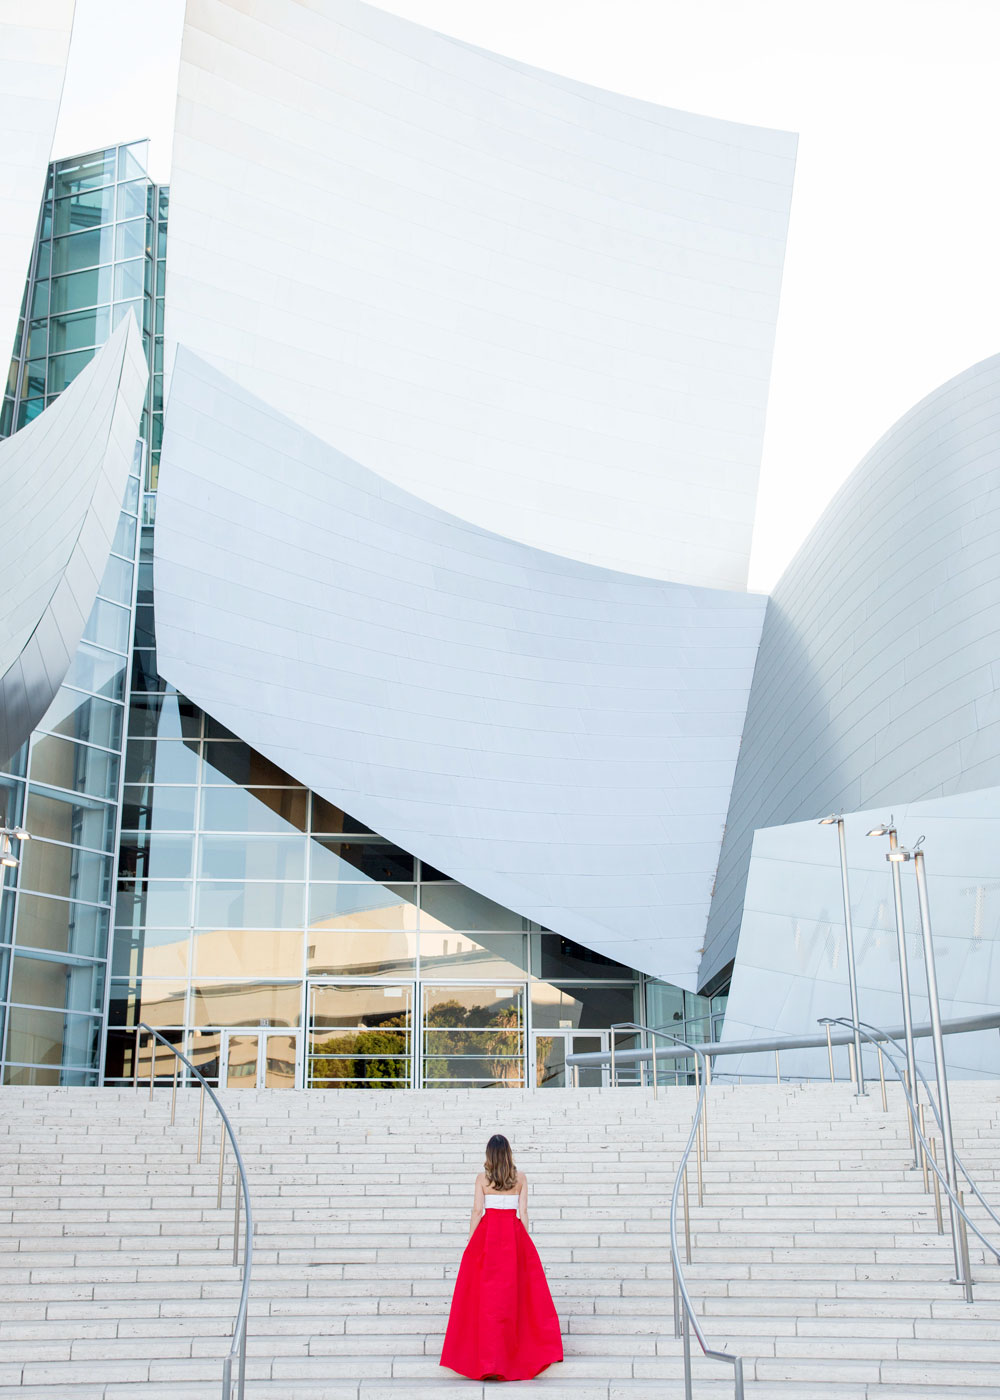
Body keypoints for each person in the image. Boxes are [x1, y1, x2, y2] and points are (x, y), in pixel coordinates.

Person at [440, 1133, 563, 1381]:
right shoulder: (520, 1179)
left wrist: (470, 1244)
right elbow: (524, 1211)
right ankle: (515, 1354)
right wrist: (524, 1243)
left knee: (486, 1300)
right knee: (514, 1298)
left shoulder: (482, 1180)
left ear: (489, 1156)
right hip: (513, 1235)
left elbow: (476, 1211)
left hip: (488, 1236)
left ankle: (486, 1357)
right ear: (508, 1154)